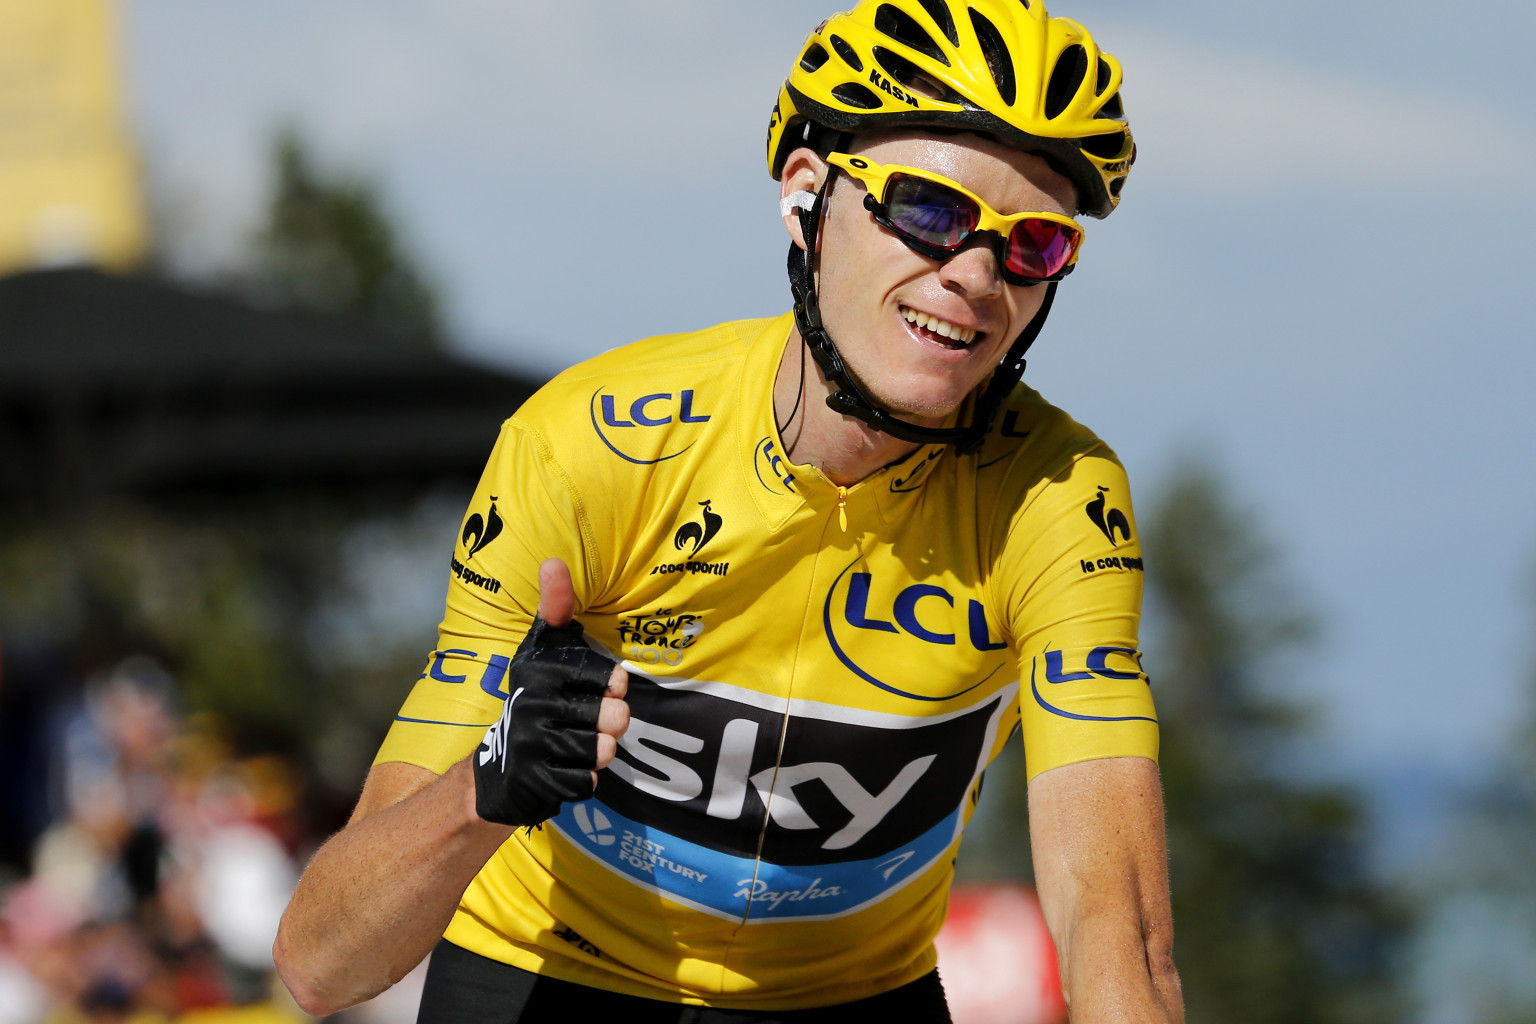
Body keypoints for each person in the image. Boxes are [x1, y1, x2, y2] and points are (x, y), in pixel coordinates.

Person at [274, 1, 1182, 1020]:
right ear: (807, 195)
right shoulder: (593, 448)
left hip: (852, 997)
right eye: (931, 210)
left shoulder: (1057, 498)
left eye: (1034, 247)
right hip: (551, 977)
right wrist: (491, 778)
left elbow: (1113, 922)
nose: (974, 274)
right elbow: (321, 961)